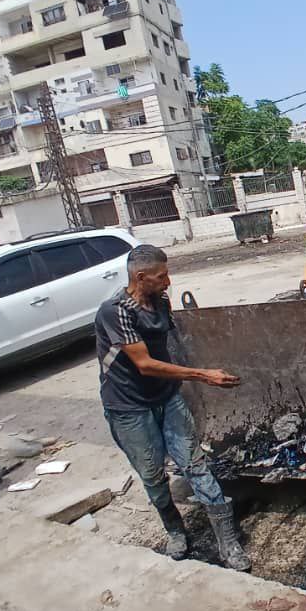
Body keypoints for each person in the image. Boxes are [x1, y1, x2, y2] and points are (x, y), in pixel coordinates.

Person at [95, 244, 251, 571]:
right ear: (141, 277)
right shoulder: (115, 311)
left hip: (167, 397)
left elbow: (168, 347)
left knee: (195, 464)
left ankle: (228, 541)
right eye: (162, 276)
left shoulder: (161, 301)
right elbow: (145, 364)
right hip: (129, 407)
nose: (168, 282)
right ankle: (175, 530)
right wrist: (203, 376)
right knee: (153, 476)